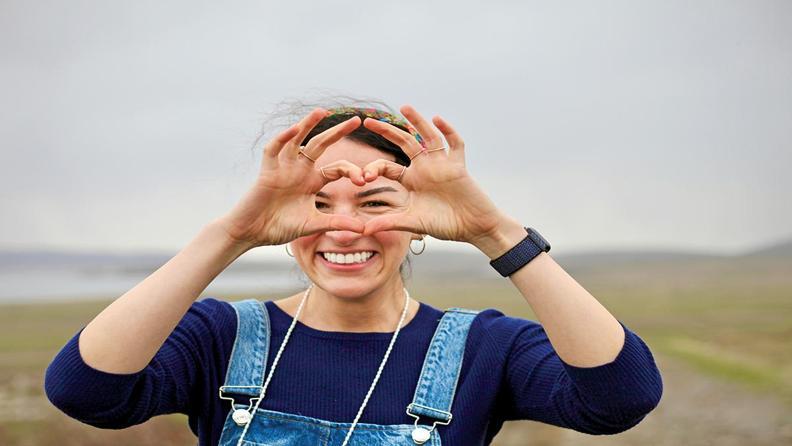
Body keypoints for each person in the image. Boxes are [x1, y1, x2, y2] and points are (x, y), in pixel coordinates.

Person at [44, 103, 664, 446]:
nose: (345, 230)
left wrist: (493, 232)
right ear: (279, 226)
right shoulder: (220, 336)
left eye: (376, 205)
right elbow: (85, 392)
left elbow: (620, 399)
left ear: (422, 223)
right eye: (317, 206)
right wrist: (230, 235)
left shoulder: (484, 348)